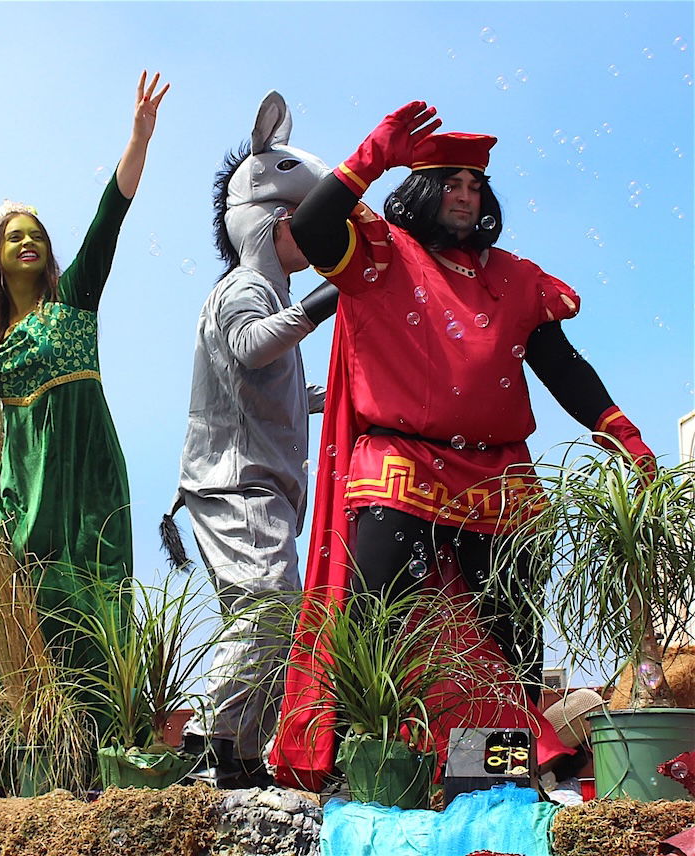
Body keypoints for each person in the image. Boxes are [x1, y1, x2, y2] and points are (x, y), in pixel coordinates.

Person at [270, 101, 656, 789]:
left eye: (476, 186)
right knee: (377, 622)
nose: (466, 196)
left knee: (513, 640)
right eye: (451, 183)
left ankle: (495, 778)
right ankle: (379, 773)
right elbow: (310, 229)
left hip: (500, 476)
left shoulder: (514, 278)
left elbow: (562, 365)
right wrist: (369, 157)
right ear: (422, 189)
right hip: (399, 463)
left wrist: (620, 431)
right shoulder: (380, 252)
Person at [0, 72, 168, 713]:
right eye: (13, 236)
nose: (28, 241)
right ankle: (28, 746)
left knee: (97, 602)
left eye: (37, 234)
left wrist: (138, 138)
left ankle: (105, 735)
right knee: (27, 613)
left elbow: (109, 217)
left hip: (88, 478)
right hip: (24, 491)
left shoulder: (75, 299)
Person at [162, 91, 337, 789]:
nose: (316, 239)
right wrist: (326, 301)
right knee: (271, 605)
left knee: (267, 614)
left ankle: (238, 751)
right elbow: (251, 346)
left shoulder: (271, 294)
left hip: (258, 484)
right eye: (303, 224)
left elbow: (281, 386)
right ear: (268, 223)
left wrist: (334, 396)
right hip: (236, 481)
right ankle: (209, 739)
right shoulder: (245, 291)